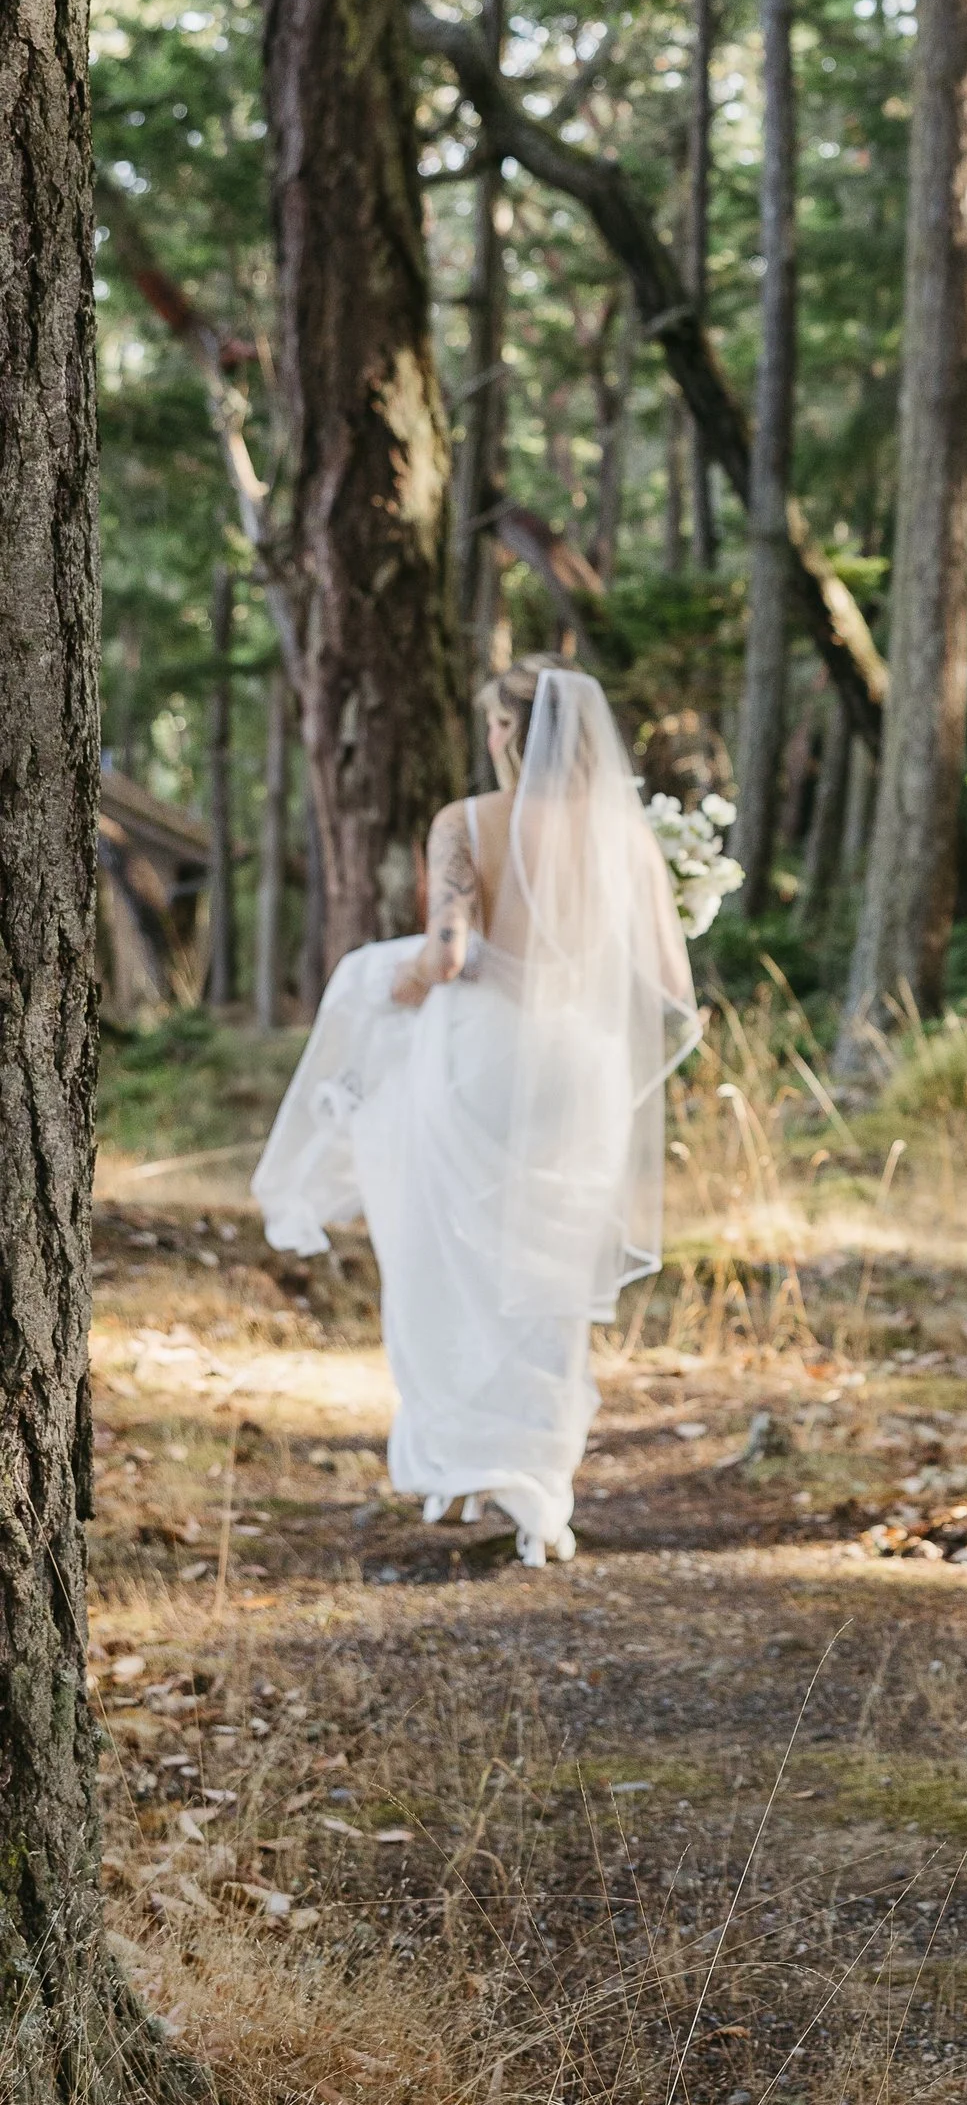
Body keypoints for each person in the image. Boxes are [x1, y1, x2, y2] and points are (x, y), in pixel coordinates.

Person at [253, 662, 698, 1566]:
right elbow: (667, 986)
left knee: (446, 1258)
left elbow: (449, 953)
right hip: (581, 1066)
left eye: (497, 725)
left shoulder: (467, 822)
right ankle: (542, 1496)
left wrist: (396, 978)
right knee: (549, 1270)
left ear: (508, 733)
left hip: (483, 1062)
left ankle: (460, 1465)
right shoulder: (629, 840)